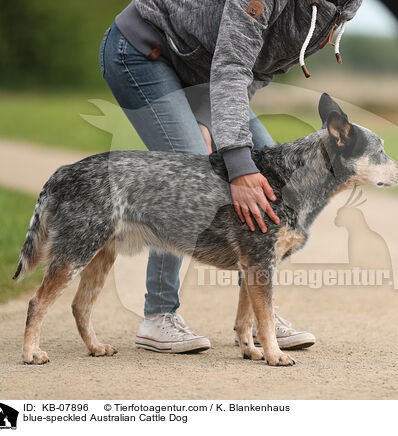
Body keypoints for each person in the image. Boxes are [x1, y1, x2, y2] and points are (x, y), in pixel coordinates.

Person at [100, 0, 361, 353]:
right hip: (145, 52)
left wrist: (210, 118)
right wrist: (237, 165)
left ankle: (257, 317)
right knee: (192, 170)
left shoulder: (343, 5)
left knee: (274, 185)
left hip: (208, 72)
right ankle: (158, 315)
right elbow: (233, 65)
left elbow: (261, 66)